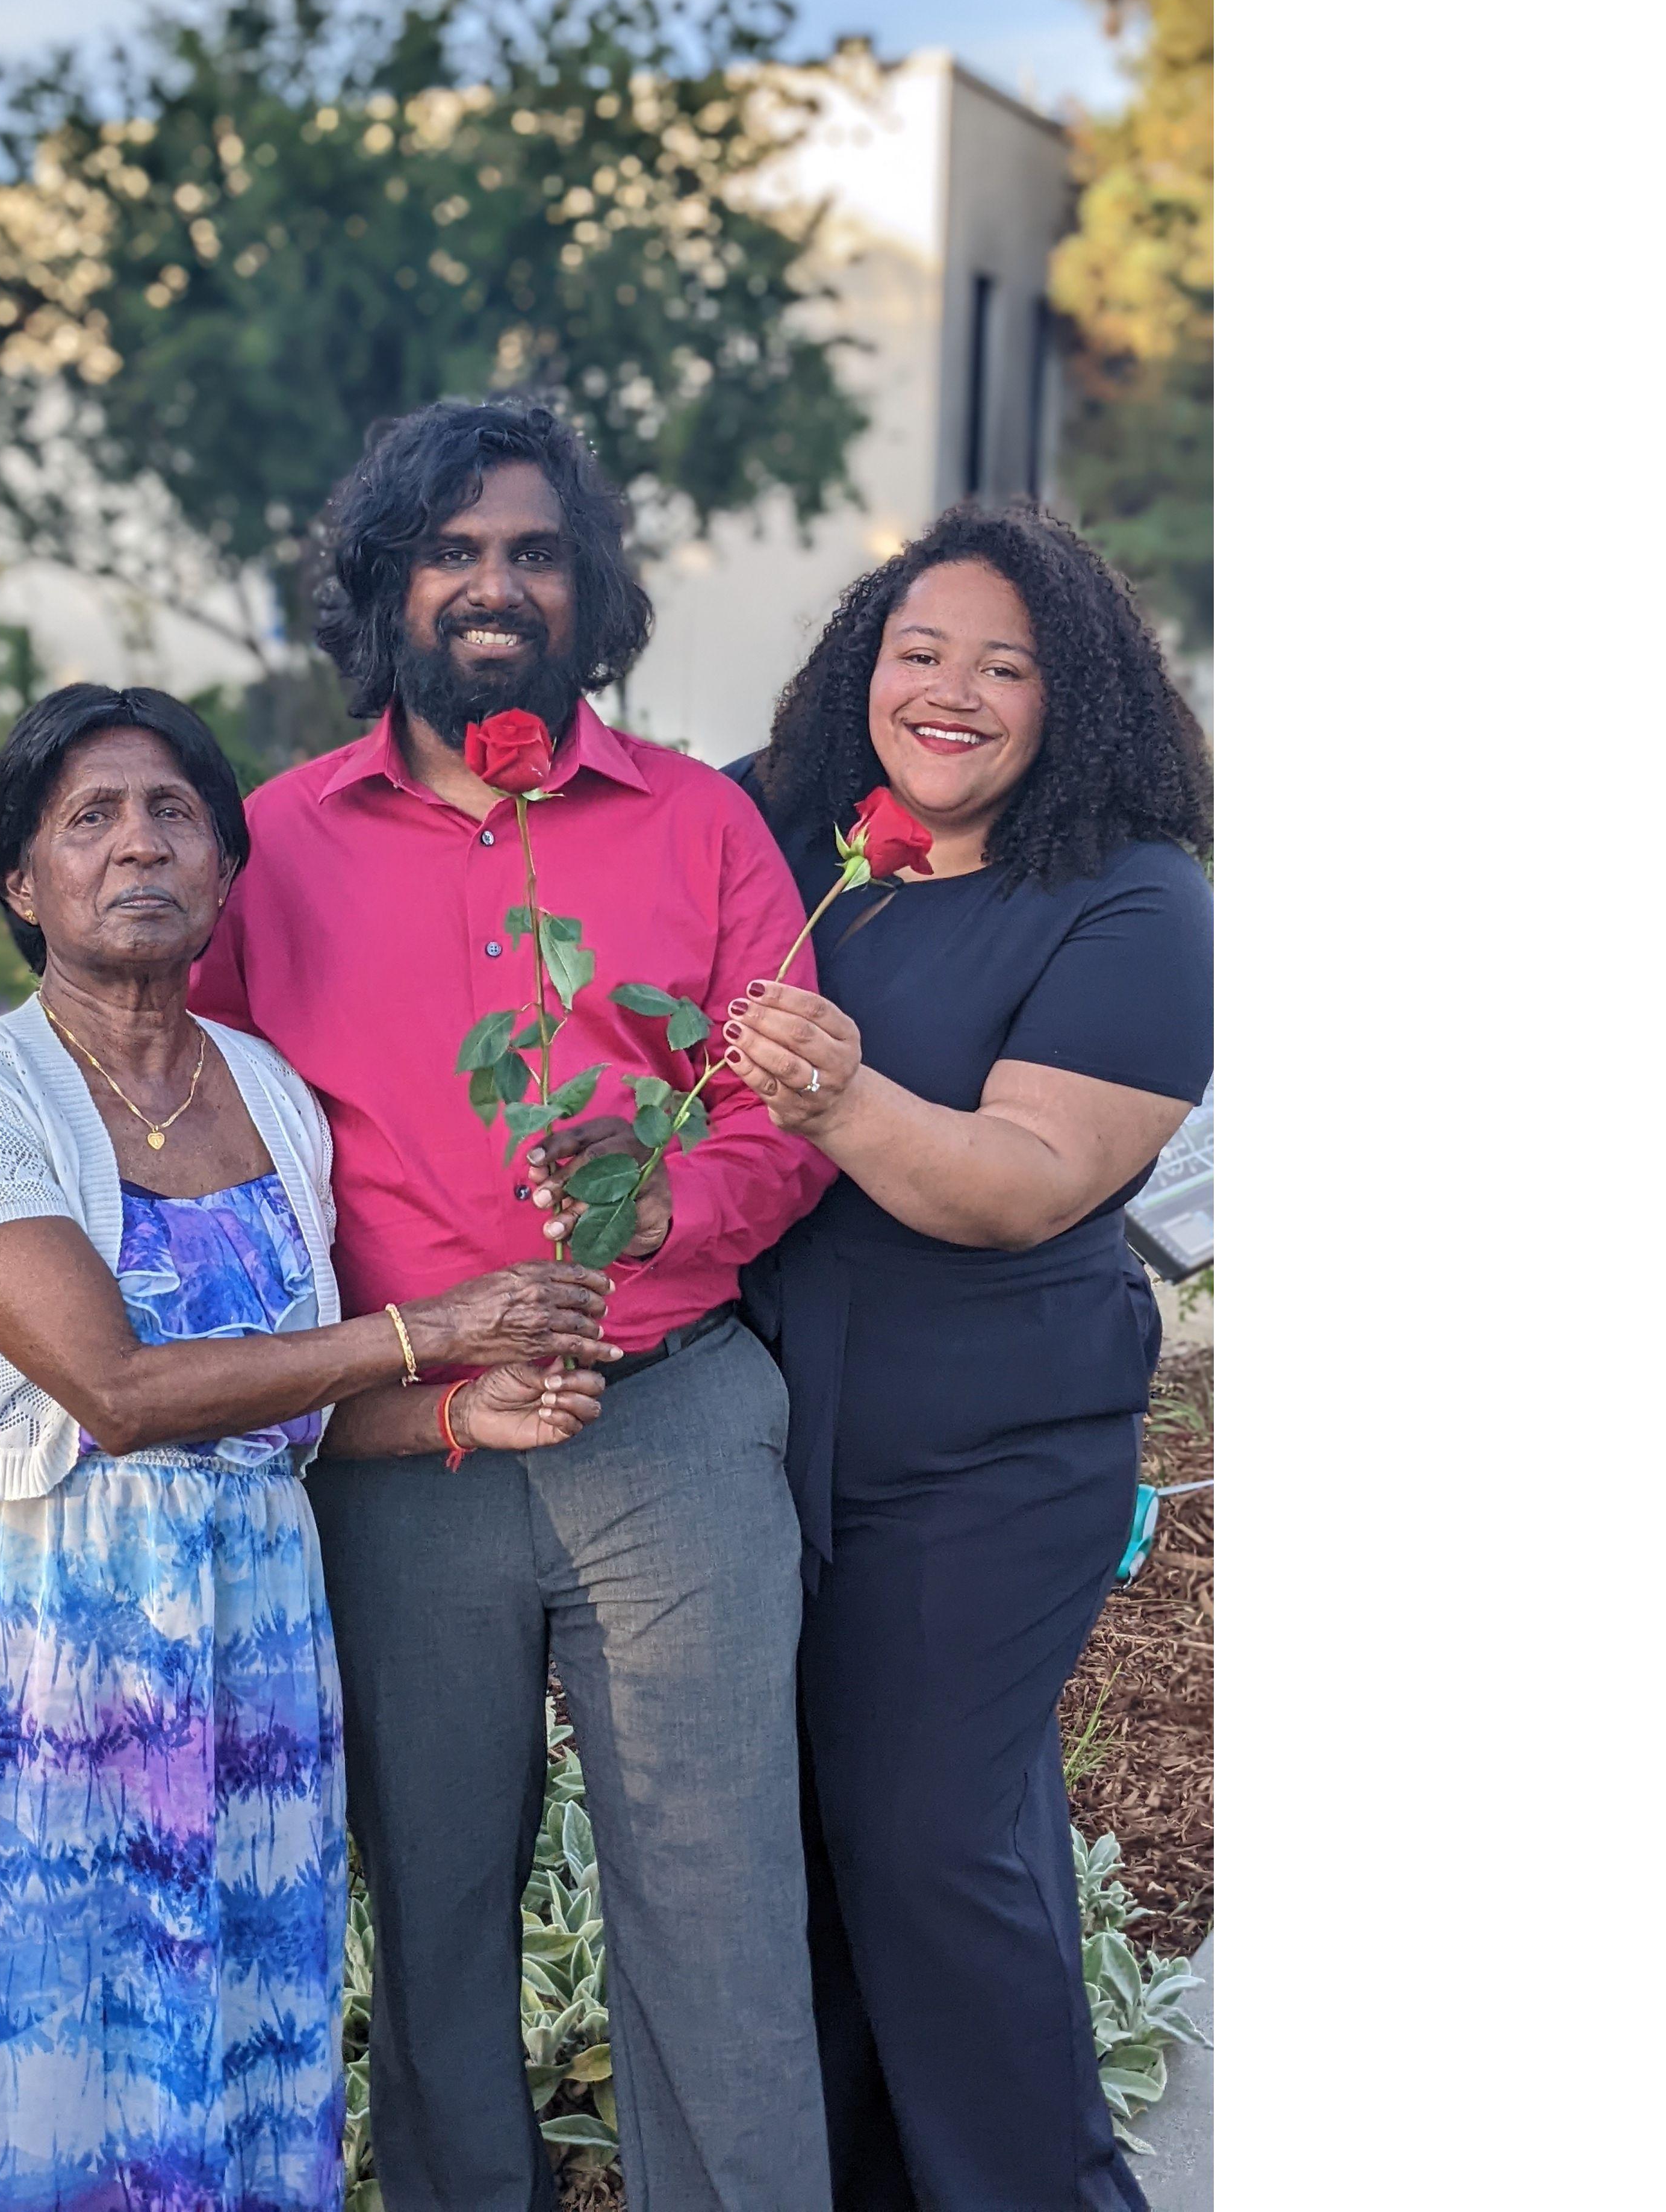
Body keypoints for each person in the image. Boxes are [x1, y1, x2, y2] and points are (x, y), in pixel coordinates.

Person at [0, 402, 841, 2212]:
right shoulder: (274, 841)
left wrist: (646, 1221)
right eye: (449, 552)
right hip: (388, 1463)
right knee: (431, 1922)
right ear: (388, 589)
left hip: (671, 1414)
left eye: (532, 551)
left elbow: (790, 1117)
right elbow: (125, 1054)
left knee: (719, 1913)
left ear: (589, 585)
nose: (492, 585)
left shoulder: (702, 826)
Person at [0, 682, 621, 2212]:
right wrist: (429, 1333)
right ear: (23, 883)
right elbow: (118, 1391)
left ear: (225, 867)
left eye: (174, 813)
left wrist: (455, 1410)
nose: (139, 843)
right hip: (37, 1650)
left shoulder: (270, 1093)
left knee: (236, 2039)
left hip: (249, 1647)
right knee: (55, 2057)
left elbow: (279, 1418)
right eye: (89, 817)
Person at [718, 504, 1212, 2212]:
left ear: (1073, 700)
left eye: (1007, 667)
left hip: (992, 1451)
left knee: (933, 1846)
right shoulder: (783, 828)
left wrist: (836, 1093)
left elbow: (1021, 1183)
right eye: (920, 651)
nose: (952, 691)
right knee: (813, 1855)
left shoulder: (1136, 900)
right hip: (764, 1420)